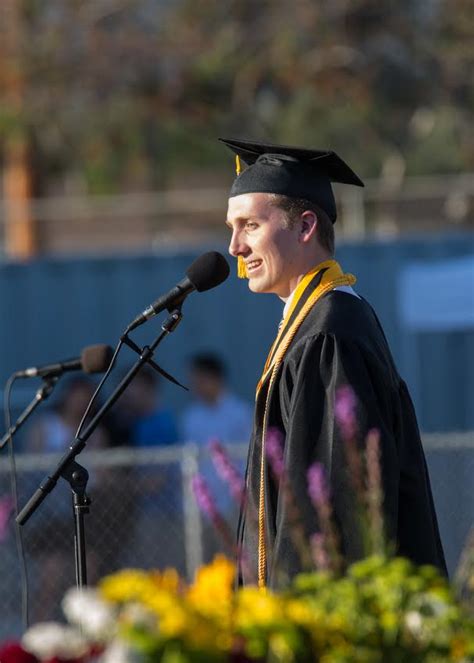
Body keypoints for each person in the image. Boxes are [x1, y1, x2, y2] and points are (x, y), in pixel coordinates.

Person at [220, 137, 447, 588]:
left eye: (249, 226)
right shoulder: (317, 322)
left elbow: (333, 507)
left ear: (305, 226)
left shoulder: (330, 331)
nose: (234, 248)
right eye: (232, 228)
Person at [181, 353, 253, 446]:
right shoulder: (191, 416)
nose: (196, 386)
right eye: (194, 381)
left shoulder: (241, 413)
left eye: (201, 381)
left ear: (217, 378)